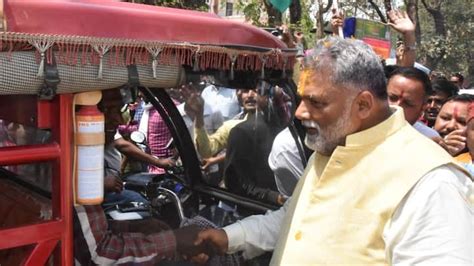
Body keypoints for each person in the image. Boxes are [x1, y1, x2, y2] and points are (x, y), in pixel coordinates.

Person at [193, 37, 473, 264]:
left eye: (316, 103)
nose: (301, 113)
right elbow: (295, 220)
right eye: (302, 100)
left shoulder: (432, 181)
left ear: (362, 105)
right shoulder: (333, 142)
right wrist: (230, 236)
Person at [74, 88, 205, 265]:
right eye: (107, 110)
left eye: (118, 111)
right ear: (77, 114)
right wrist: (175, 239)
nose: (119, 120)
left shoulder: (74, 157)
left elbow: (82, 233)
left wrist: (134, 227)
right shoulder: (75, 167)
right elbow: (100, 255)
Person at [387, 67, 440, 138]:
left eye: (407, 103)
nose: (397, 107)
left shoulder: (428, 139)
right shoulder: (367, 126)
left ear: (422, 108)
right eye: (392, 98)